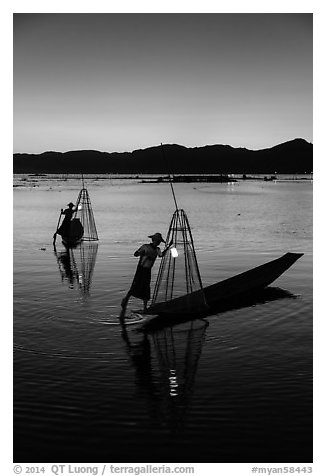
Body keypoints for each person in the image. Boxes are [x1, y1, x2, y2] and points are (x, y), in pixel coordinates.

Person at [120, 232, 172, 314]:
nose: (157, 242)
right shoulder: (145, 247)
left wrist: (168, 247)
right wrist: (141, 253)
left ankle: (144, 308)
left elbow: (161, 255)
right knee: (135, 285)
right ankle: (125, 300)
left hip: (148, 271)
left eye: (159, 241)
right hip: (141, 269)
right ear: (153, 240)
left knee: (146, 288)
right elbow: (135, 254)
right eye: (156, 241)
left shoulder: (157, 250)